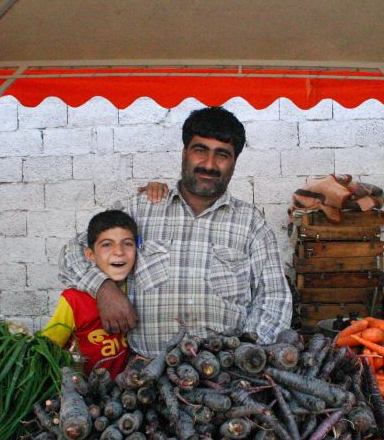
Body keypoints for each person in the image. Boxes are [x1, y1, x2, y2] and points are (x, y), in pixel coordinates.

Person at [59, 106, 292, 358]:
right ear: (184, 153)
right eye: (200, 150)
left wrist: (246, 356)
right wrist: (104, 289)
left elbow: (274, 299)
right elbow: (73, 253)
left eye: (222, 155)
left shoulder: (251, 223)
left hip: (225, 371)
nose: (209, 164)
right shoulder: (141, 210)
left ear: (234, 163)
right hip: (146, 370)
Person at [42, 210, 137, 377]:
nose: (119, 252)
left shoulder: (135, 291)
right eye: (107, 244)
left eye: (127, 243)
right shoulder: (73, 299)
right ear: (90, 255)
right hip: (83, 387)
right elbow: (48, 348)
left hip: (122, 388)